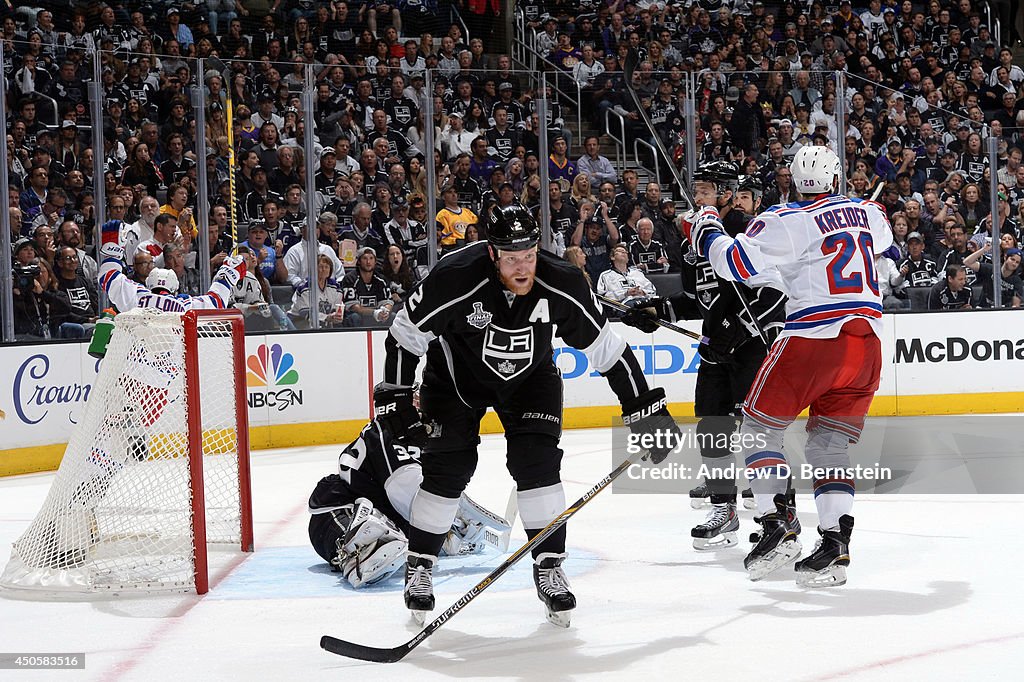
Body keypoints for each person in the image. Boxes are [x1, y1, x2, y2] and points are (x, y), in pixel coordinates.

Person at [379, 204, 680, 626]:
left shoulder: (563, 281)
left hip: (529, 380)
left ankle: (549, 565)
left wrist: (644, 408)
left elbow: (607, 350)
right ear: (491, 253)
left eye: (529, 254)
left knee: (537, 465)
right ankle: (421, 564)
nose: (522, 267)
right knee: (448, 469)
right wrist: (394, 397)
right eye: (511, 257)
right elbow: (404, 336)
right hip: (454, 381)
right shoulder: (454, 275)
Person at [682, 145, 893, 586]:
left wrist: (706, 230)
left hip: (813, 340)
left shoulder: (785, 219)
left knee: (758, 431)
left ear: (793, 181)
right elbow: (881, 245)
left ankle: (776, 524)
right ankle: (836, 546)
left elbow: (735, 262)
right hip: (866, 344)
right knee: (829, 448)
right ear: (836, 178)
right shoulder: (871, 214)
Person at [623, 166, 788, 550]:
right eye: (696, 191)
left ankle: (777, 513)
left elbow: (776, 294)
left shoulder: (754, 231)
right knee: (712, 427)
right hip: (716, 350)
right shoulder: (693, 241)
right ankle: (724, 508)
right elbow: (700, 298)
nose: (699, 198)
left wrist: (740, 330)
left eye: (707, 190)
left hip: (753, 349)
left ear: (728, 193)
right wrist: (659, 310)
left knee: (759, 433)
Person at [96, 220, 246, 315]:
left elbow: (108, 276)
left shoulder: (137, 297)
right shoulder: (185, 305)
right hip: (174, 362)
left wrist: (112, 253)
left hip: (139, 361)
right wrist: (227, 276)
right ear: (175, 288)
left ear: (148, 284)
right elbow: (216, 302)